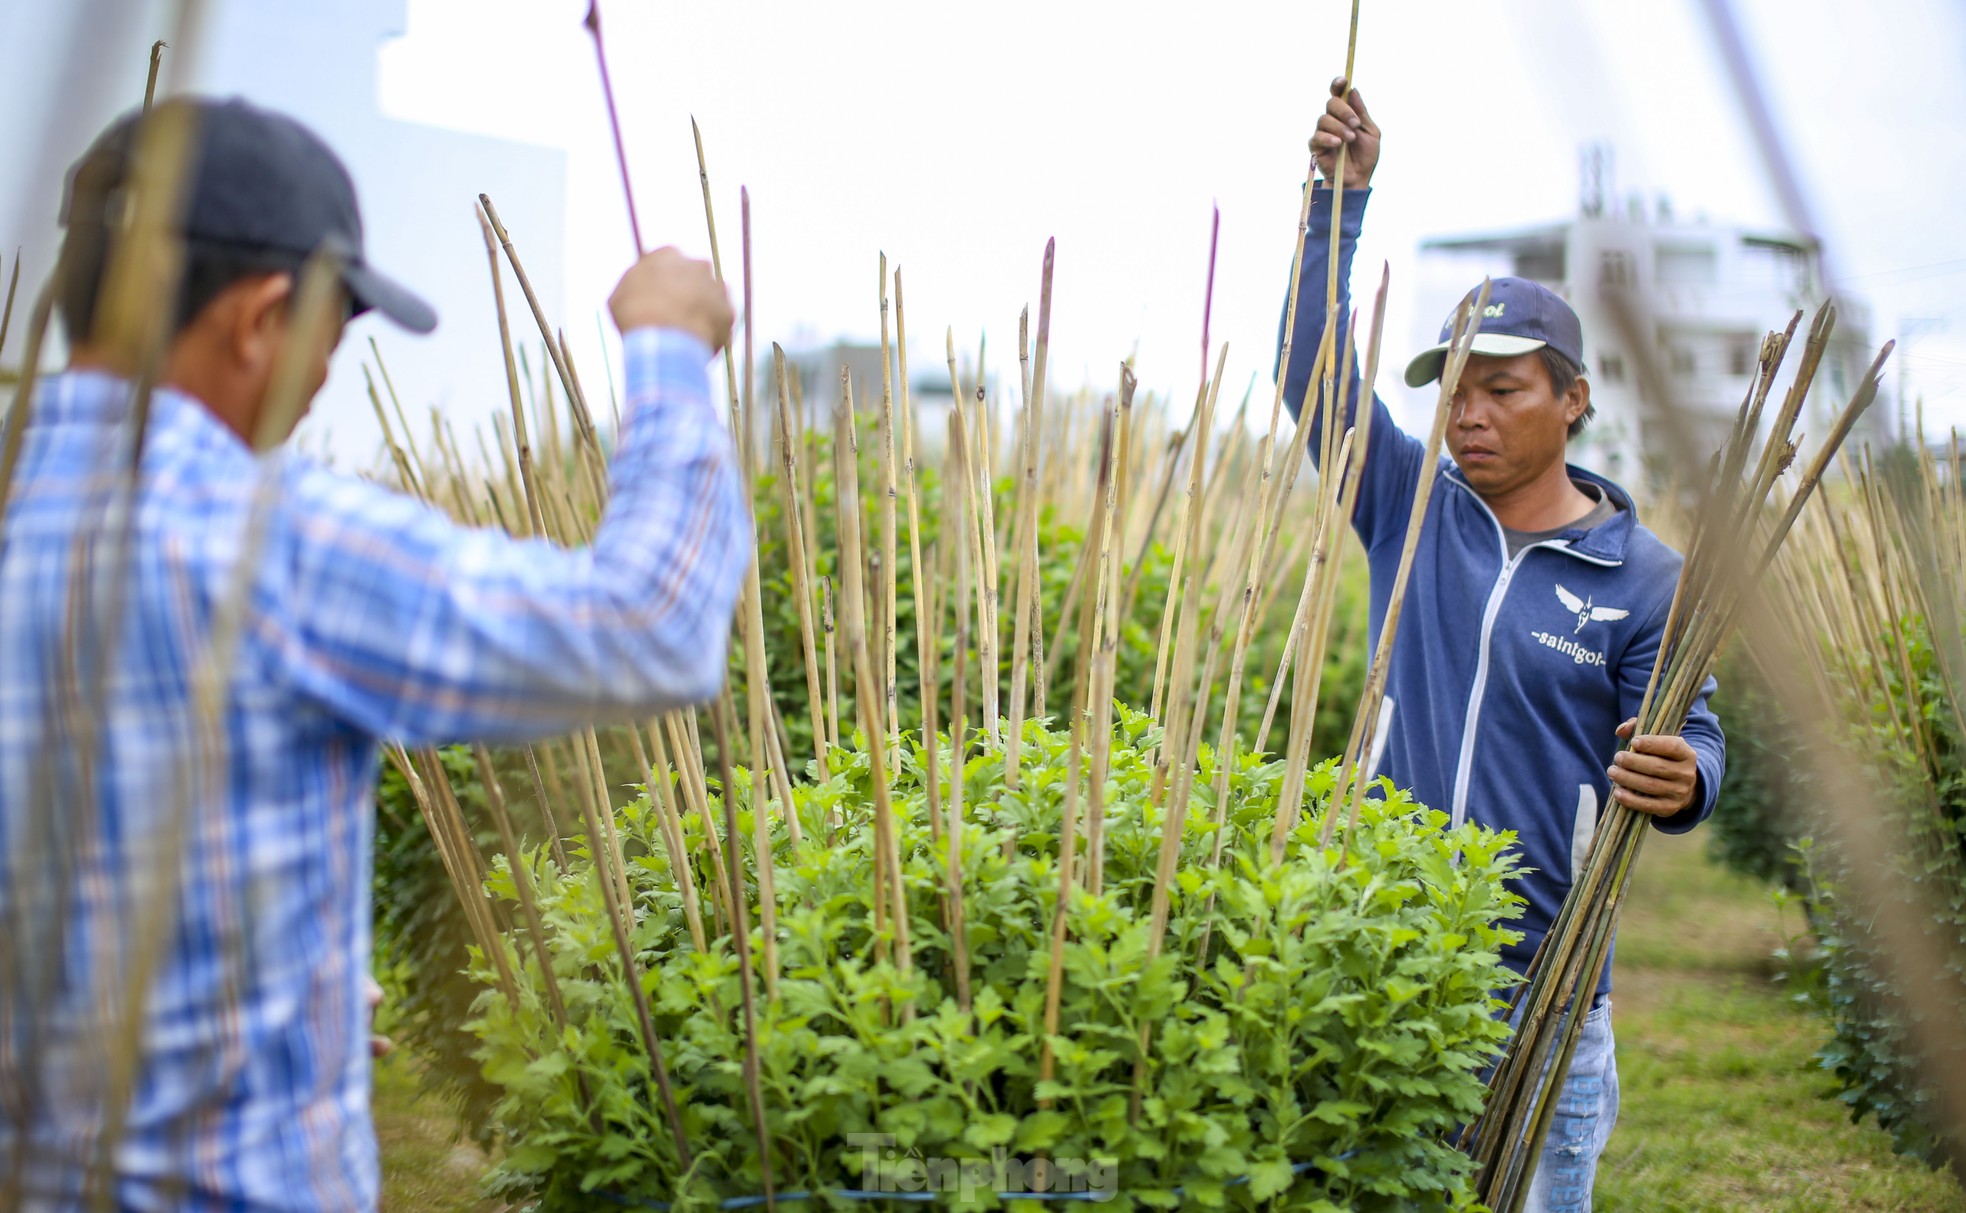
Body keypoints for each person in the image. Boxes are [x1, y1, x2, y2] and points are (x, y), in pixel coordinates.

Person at [0, 98, 748, 1212]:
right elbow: (650, 625)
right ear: (259, 319)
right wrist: (669, 353)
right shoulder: (268, 543)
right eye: (329, 345)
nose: (318, 391)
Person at [1277, 78, 1726, 1213]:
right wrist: (1336, 204)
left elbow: (1693, 747)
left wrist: (1687, 780)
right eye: (1451, 392)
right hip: (1388, 969)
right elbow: (1309, 373)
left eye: (1500, 388)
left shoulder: (1645, 579)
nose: (1465, 413)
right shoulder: (1406, 506)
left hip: (1546, 996)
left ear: (1570, 401)